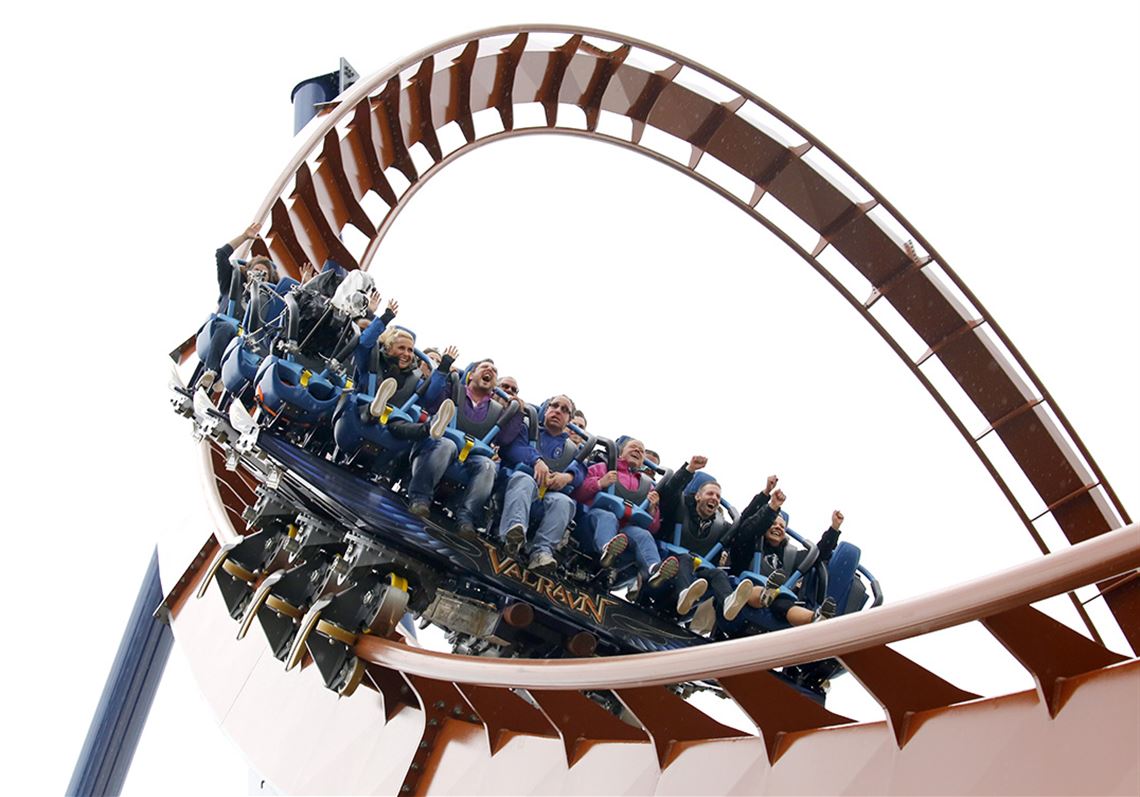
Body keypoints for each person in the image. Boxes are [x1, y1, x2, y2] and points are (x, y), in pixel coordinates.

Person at [406, 359, 523, 535]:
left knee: (488, 466)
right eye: (484, 367)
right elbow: (431, 402)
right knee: (446, 445)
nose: (490, 371)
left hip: (472, 455)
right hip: (439, 444)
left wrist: (517, 412)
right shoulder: (454, 389)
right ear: (471, 374)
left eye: (494, 370)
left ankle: (466, 517)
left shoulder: (497, 410)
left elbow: (505, 439)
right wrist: (443, 372)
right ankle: (420, 498)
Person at [649, 455, 753, 627]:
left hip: (697, 574)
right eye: (710, 493)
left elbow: (745, 530)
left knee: (718, 573)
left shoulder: (721, 527)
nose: (715, 498)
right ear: (697, 496)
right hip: (668, 563)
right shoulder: (679, 506)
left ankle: (727, 601)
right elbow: (671, 491)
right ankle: (684, 593)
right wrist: (689, 470)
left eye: (718, 496)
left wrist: (765, 501)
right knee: (685, 558)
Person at [496, 394, 586, 571]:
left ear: (569, 420)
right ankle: (513, 534)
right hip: (513, 487)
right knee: (524, 480)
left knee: (564, 502)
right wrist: (536, 460)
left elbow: (581, 471)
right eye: (554, 406)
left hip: (544, 497)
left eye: (564, 410)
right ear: (546, 409)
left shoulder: (571, 449)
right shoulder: (528, 428)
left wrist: (567, 477)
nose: (558, 411)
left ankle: (541, 552)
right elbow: (512, 448)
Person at [573, 438, 676, 586]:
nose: (637, 451)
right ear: (621, 452)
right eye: (633, 447)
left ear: (643, 462)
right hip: (593, 522)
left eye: (641, 451)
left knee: (643, 534)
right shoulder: (604, 467)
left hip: (625, 531)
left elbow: (653, 528)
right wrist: (600, 483)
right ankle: (607, 549)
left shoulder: (648, 487)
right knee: (608, 517)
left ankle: (654, 569)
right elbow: (578, 493)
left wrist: (652, 509)